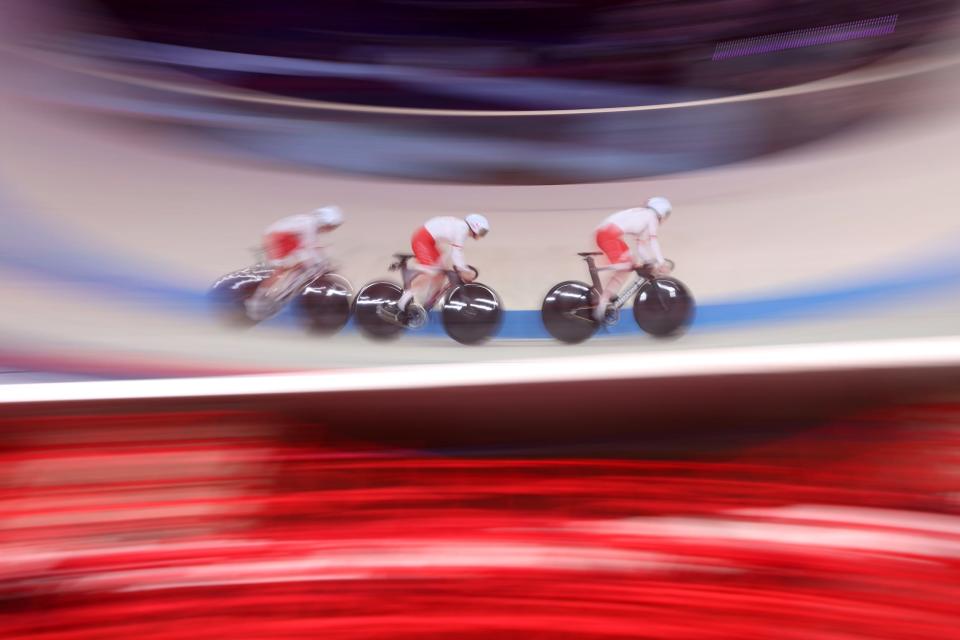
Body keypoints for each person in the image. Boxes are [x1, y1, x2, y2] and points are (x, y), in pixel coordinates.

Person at [382, 214, 490, 323]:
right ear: (474, 226)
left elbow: (452, 253)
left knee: (440, 273)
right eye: (482, 231)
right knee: (428, 273)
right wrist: (464, 270)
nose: (482, 235)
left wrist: (458, 268)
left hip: (428, 241)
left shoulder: (461, 227)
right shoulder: (462, 230)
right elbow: (456, 253)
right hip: (423, 240)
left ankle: (425, 306)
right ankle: (399, 306)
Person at [245, 206, 344, 321]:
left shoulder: (311, 224)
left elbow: (311, 249)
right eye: (332, 226)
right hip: (278, 237)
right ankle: (257, 300)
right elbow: (310, 248)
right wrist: (321, 265)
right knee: (281, 269)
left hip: (287, 237)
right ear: (326, 222)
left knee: (303, 264)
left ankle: (282, 294)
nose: (331, 230)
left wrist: (321, 263)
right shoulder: (309, 225)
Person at [593, 197, 672, 323]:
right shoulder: (651, 216)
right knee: (627, 265)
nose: (665, 218)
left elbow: (642, 247)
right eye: (666, 214)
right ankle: (599, 274)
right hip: (607, 234)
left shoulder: (645, 216)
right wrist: (661, 262)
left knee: (630, 264)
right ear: (661, 210)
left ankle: (604, 301)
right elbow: (653, 241)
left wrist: (650, 262)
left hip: (609, 234)